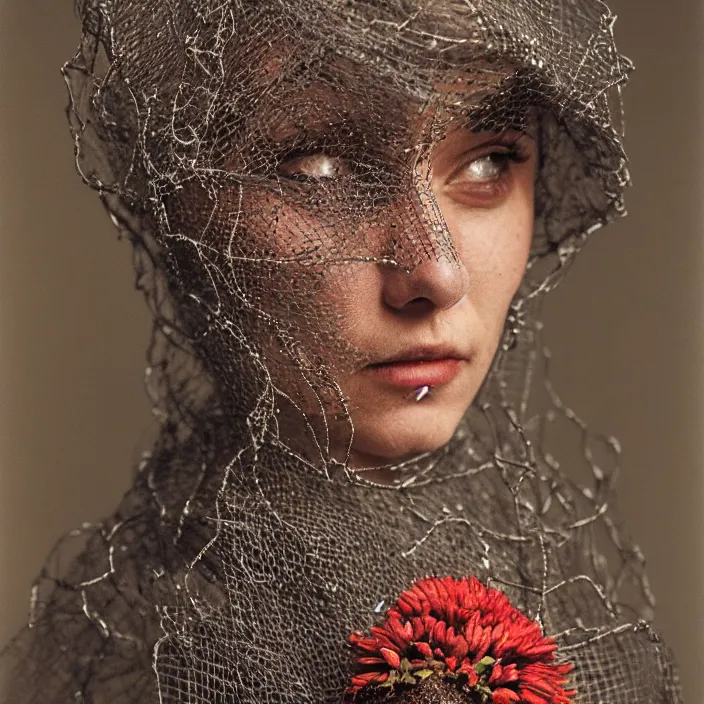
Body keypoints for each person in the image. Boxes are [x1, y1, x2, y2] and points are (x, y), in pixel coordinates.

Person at [0, 1, 683, 702]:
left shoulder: (572, 604)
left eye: (487, 161)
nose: (436, 276)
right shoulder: (150, 659)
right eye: (318, 166)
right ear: (177, 202)